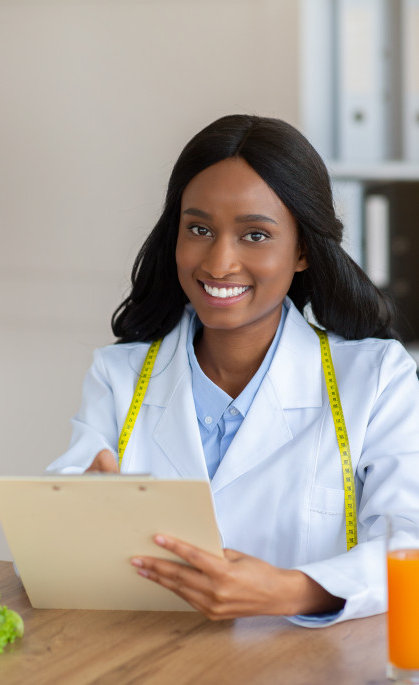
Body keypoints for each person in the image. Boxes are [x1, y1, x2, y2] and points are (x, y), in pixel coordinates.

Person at [46, 114, 419, 626]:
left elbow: (410, 544)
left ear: (303, 250)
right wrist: (78, 511)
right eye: (198, 229)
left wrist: (292, 590)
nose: (219, 262)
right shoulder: (119, 376)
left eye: (255, 235)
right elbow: (55, 532)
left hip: (306, 665)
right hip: (150, 661)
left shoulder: (376, 378)